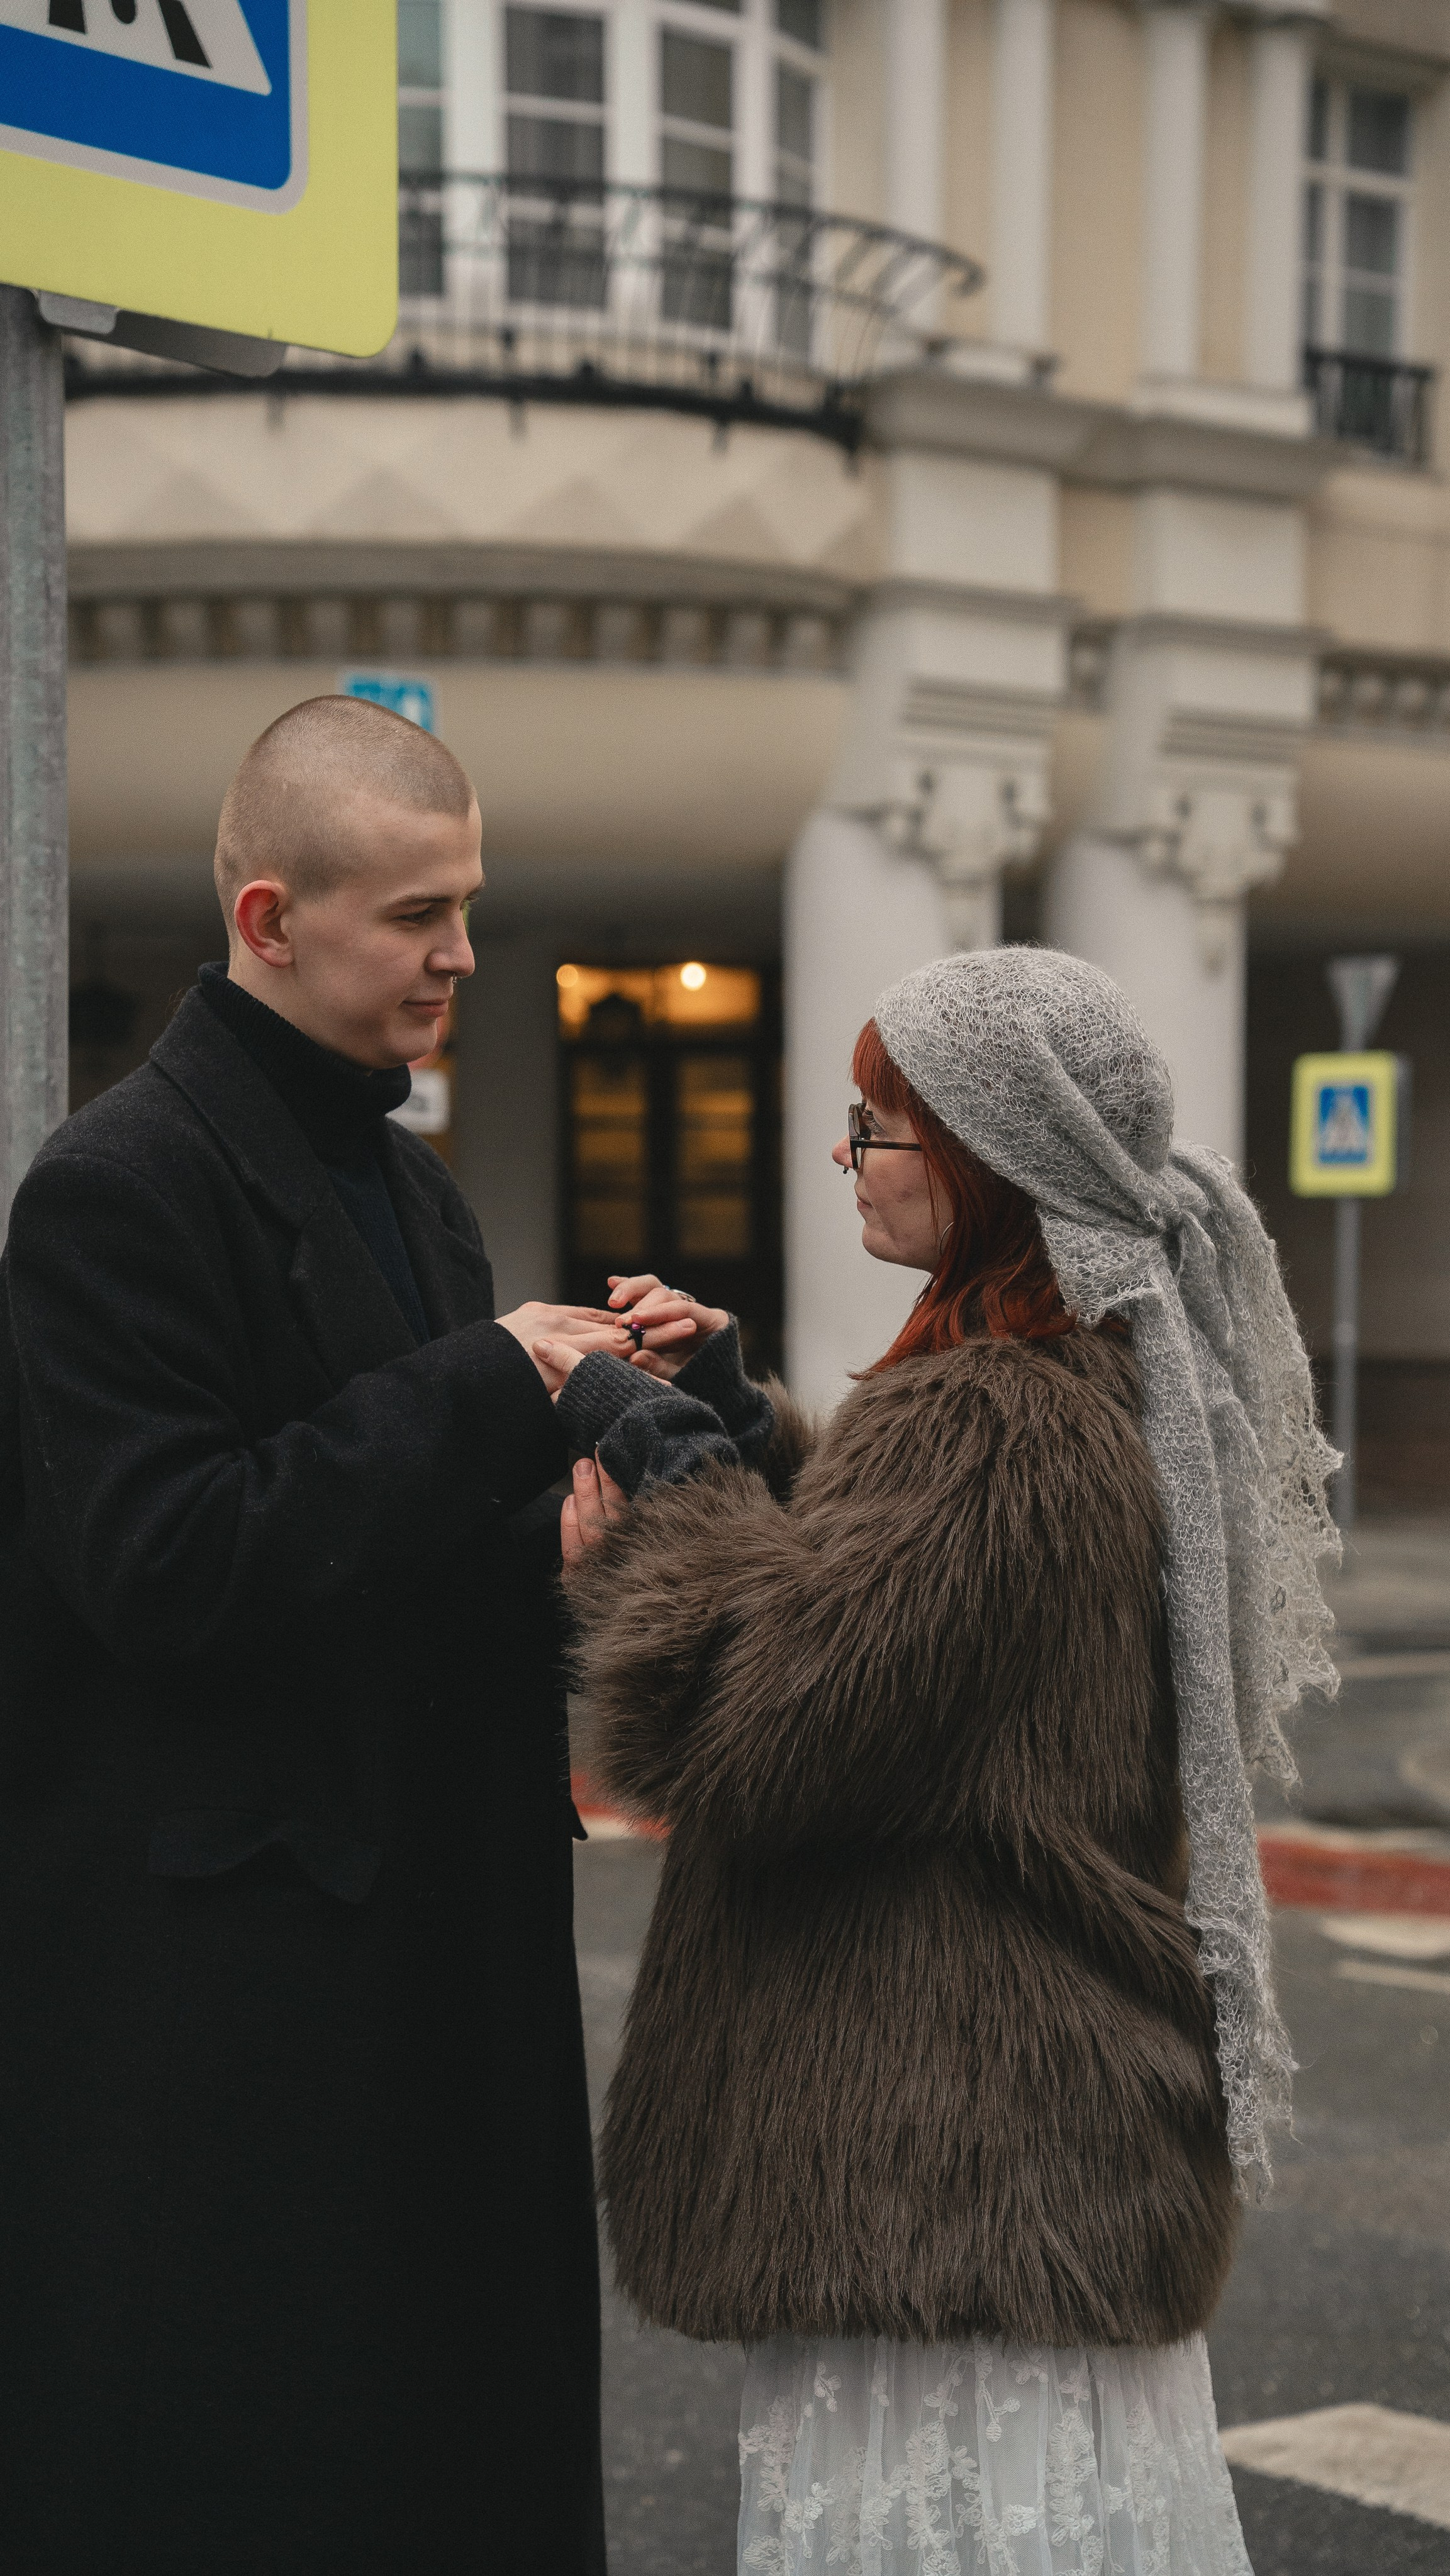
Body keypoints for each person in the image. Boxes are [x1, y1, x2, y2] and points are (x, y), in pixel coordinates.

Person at [542, 947, 1340, 2576]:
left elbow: (746, 1719)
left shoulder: (994, 1425)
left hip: (942, 2168)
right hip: (1015, 2159)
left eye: (878, 1127)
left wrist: (663, 1476)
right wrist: (745, 1425)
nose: (852, 1156)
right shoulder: (1056, 1389)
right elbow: (912, 1619)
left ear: (983, 1156)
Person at [0, 696, 654, 2572]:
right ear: (272, 921)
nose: (461, 953)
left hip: (423, 1950)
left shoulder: (413, 1186)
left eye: (467, 906)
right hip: (232, 2014)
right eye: (416, 915)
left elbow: (383, 1537)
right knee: (264, 2477)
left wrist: (551, 1536)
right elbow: (165, 1563)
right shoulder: (112, 1190)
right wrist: (483, 1388)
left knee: (439, 2457)